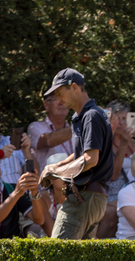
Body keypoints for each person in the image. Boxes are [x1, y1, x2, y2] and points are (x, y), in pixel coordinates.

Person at [40, 67, 113, 239]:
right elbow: (83, 154)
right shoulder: (85, 116)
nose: (57, 99)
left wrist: (56, 173)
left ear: (74, 87)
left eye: (59, 93)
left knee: (57, 254)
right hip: (91, 197)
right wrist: (55, 166)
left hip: (85, 197)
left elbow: (90, 159)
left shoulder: (91, 116)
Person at [97, 100, 135, 238]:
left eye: (125, 118)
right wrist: (123, 143)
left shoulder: (133, 142)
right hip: (111, 192)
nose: (122, 122)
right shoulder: (104, 142)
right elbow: (112, 175)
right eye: (117, 119)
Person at [28, 92, 73, 174]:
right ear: (46, 105)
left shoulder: (74, 131)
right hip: (46, 186)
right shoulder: (35, 127)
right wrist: (81, 125)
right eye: (56, 99)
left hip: (74, 185)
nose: (61, 102)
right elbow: (48, 141)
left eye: (64, 98)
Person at [0, 167, 45, 238]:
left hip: (11, 246)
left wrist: (34, 192)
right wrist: (16, 194)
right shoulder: (16, 191)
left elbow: (39, 220)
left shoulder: (11, 188)